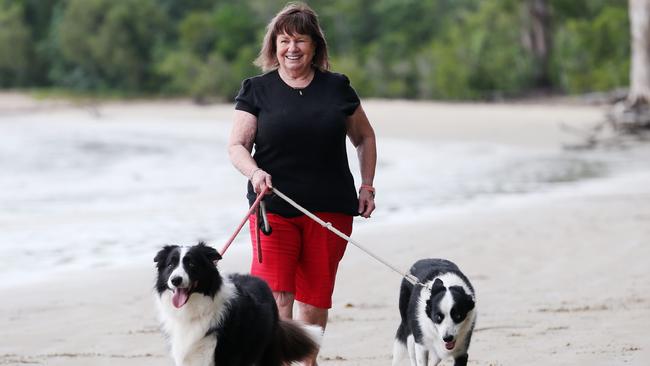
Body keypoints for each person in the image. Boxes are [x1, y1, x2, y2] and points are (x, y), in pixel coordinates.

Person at [227, 2, 376, 364]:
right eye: (284, 41)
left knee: (314, 299)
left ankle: (307, 363)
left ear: (315, 47)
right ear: (274, 46)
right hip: (272, 208)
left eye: (300, 40)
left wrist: (367, 186)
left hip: (329, 210)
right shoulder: (256, 90)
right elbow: (237, 146)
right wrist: (254, 172)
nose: (292, 48)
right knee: (277, 297)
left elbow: (365, 138)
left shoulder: (337, 88)